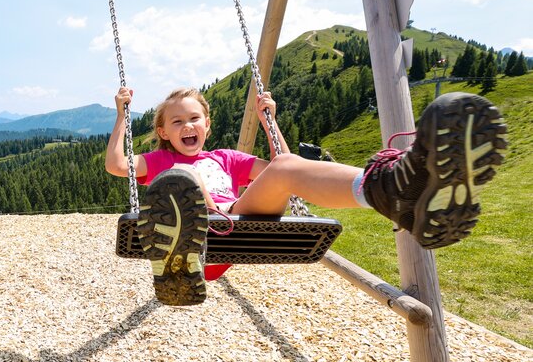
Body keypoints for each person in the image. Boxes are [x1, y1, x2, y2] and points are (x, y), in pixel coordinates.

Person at [105, 87, 507, 306]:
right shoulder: (158, 160)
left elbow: (283, 166)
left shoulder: (226, 158)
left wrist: (270, 124)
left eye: (194, 118)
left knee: (285, 167)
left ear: (207, 125)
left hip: (233, 226)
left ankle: (393, 190)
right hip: (188, 241)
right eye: (177, 121)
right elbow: (118, 166)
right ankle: (184, 228)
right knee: (181, 177)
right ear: (163, 131)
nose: (187, 125)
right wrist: (122, 116)